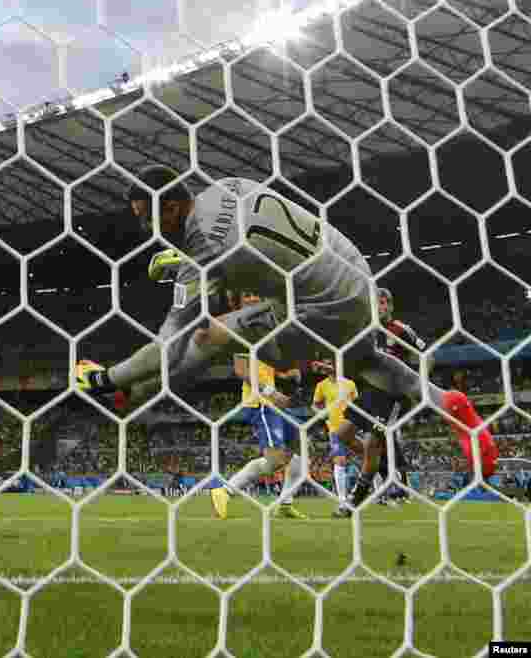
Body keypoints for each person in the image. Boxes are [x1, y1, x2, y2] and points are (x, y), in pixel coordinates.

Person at [74, 166, 496, 507]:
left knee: (205, 338)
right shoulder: (226, 186)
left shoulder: (202, 253)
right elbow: (244, 253)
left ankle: (129, 391)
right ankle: (448, 403)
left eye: (147, 216)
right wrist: (189, 267)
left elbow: (170, 344)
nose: (147, 226)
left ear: (170, 208)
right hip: (352, 273)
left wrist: (106, 376)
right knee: (364, 360)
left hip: (317, 307)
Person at [209, 292, 308, 520]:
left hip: (276, 403)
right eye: (248, 296)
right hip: (260, 403)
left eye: (256, 295)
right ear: (239, 302)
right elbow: (242, 370)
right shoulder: (240, 330)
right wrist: (272, 393)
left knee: (299, 449)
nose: (254, 299)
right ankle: (224, 490)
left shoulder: (267, 329)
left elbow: (271, 365)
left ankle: (285, 503)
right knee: (275, 461)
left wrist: (289, 372)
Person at [310, 359, 362, 513]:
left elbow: (357, 404)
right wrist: (320, 413)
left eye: (329, 364)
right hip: (334, 428)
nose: (326, 368)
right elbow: (315, 405)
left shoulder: (350, 384)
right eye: (324, 365)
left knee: (366, 458)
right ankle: (342, 501)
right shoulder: (321, 385)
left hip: (352, 426)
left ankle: (380, 493)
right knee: (340, 461)